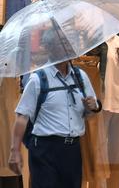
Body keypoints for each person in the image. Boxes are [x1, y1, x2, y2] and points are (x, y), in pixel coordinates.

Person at [8, 28, 101, 188]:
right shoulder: (38, 80)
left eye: (68, 43)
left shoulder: (80, 77)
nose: (69, 47)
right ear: (51, 49)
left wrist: (93, 107)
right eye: (63, 43)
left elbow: (89, 115)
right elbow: (22, 117)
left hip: (72, 150)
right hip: (45, 150)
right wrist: (14, 151)